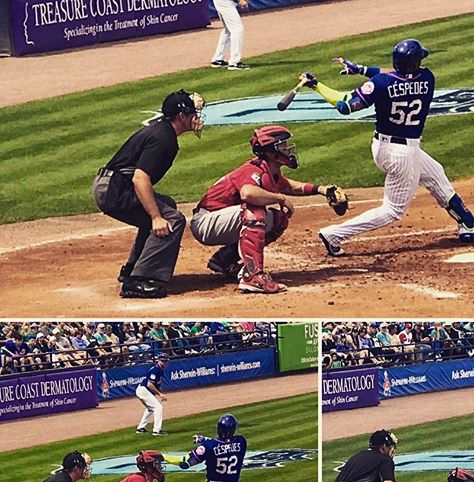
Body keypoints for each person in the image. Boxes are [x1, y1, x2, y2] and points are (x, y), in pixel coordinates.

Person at [299, 39, 474, 257]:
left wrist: (317, 86)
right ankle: (334, 235)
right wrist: (361, 70)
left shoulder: (380, 84)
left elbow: (346, 106)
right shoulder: (427, 77)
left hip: (386, 148)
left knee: (436, 174)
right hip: (402, 154)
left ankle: (469, 225)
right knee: (392, 211)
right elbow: (396, 76)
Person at [190, 125, 341, 294]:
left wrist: (320, 189)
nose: (288, 148)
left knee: (277, 219)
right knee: (255, 212)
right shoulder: (253, 169)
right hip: (206, 222)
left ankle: (226, 260)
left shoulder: (269, 170)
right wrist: (280, 198)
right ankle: (252, 277)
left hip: (218, 221)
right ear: (271, 151)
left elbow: (290, 186)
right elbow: (248, 193)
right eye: (282, 145)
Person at [93, 89, 205, 299]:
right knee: (172, 219)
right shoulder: (163, 138)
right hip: (114, 190)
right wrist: (155, 217)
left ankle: (133, 268)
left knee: (167, 205)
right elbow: (140, 178)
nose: (196, 118)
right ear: (182, 116)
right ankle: (140, 280)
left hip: (111, 185)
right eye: (193, 114)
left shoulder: (163, 131)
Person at [210, 0, 250, 70]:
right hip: (225, 2)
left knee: (228, 30)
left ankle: (217, 60)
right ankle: (234, 62)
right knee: (237, 29)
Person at [135, 353, 169, 436]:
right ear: (158, 361)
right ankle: (156, 430)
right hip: (143, 390)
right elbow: (149, 385)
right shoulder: (155, 370)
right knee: (158, 407)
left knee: (150, 409)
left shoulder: (160, 370)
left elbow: (156, 385)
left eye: (165, 361)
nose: (164, 363)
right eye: (162, 361)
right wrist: (160, 394)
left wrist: (161, 393)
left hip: (143, 390)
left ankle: (140, 428)